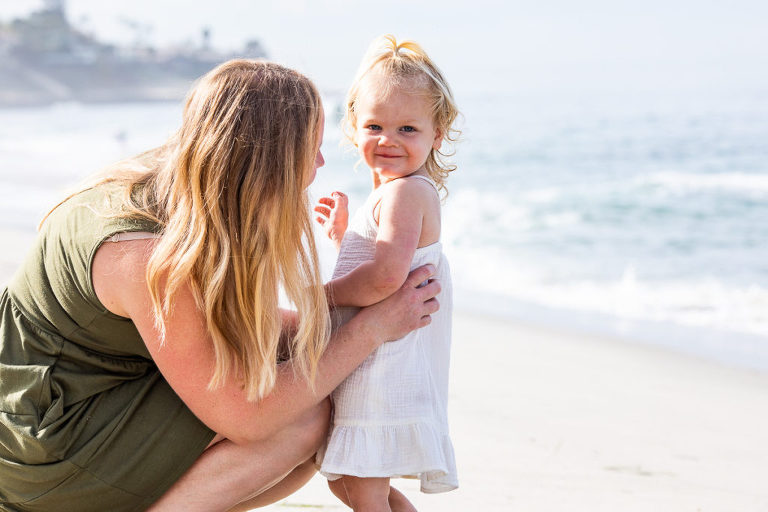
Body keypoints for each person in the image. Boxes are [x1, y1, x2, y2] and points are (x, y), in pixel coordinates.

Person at [0, 59, 442, 512]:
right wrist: (370, 331)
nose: (320, 163)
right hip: (43, 451)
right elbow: (249, 419)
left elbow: (238, 328)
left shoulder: (161, 189)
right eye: (310, 148)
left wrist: (339, 308)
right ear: (266, 159)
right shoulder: (146, 257)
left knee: (299, 369)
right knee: (303, 416)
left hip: (55, 411)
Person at [313, 35, 460, 512]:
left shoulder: (404, 194)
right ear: (353, 127)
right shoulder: (396, 194)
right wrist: (344, 240)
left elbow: (383, 279)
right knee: (352, 482)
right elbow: (381, 263)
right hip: (382, 356)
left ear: (437, 134)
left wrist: (321, 296)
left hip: (384, 365)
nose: (388, 140)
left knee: (360, 482)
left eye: (408, 129)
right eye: (374, 125)